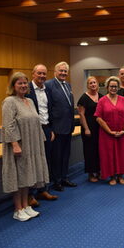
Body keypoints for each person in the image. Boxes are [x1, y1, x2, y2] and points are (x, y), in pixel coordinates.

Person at [2, 72, 49, 221]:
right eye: (19, 83)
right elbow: (8, 125)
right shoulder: (10, 101)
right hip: (19, 145)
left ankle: (26, 205)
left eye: (24, 83)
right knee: (19, 177)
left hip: (32, 145)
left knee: (28, 175)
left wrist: (41, 139)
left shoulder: (29, 101)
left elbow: (36, 121)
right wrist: (15, 144)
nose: (23, 86)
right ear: (13, 86)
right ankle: (18, 209)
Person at [26, 64, 58, 205]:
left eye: (44, 74)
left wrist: (51, 129)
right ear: (33, 74)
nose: (42, 76)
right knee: (33, 162)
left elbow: (49, 110)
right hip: (33, 130)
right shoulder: (26, 89)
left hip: (46, 128)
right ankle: (30, 194)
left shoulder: (47, 89)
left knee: (45, 160)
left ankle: (43, 189)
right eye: (39, 73)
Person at [95, 76, 124, 185]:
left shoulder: (123, 99)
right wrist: (109, 131)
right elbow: (98, 117)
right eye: (111, 86)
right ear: (107, 87)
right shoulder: (102, 101)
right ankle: (111, 176)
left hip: (122, 133)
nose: (113, 88)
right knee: (109, 155)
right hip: (107, 134)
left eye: (115, 86)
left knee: (123, 154)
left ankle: (121, 175)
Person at [45, 61, 77, 191]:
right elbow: (48, 107)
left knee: (65, 154)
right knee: (56, 156)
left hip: (68, 126)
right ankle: (56, 180)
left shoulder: (68, 85)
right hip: (57, 128)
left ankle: (64, 177)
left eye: (65, 71)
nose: (63, 73)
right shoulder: (49, 85)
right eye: (61, 71)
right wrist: (51, 128)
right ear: (55, 72)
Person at [77, 76, 103, 183]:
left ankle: (99, 171)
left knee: (99, 150)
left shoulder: (101, 96)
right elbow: (81, 115)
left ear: (97, 84)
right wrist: (86, 128)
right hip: (88, 128)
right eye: (90, 83)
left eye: (94, 83)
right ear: (88, 85)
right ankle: (91, 173)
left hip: (99, 128)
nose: (93, 85)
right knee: (90, 151)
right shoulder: (83, 98)